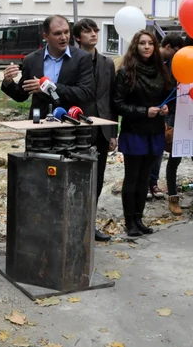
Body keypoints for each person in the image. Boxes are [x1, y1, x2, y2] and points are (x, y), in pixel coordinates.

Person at [113, 30, 173, 237]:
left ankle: (139, 218)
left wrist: (166, 109)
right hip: (134, 131)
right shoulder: (126, 71)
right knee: (132, 177)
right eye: (142, 43)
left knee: (145, 178)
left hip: (154, 131)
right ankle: (129, 221)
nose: (147, 47)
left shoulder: (160, 70)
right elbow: (118, 104)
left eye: (150, 43)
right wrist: (143, 112)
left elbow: (167, 97)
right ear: (135, 47)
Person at [73, 19, 117, 242]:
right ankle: (75, 226)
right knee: (77, 180)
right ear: (78, 37)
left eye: (95, 30)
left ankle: (90, 226)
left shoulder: (106, 63)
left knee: (97, 181)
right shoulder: (71, 61)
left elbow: (111, 99)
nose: (93, 34)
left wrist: (113, 132)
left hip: (101, 129)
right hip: (78, 129)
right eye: (87, 31)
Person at [1, 15, 94, 117]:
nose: (64, 37)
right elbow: (21, 95)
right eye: (57, 33)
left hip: (69, 123)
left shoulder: (82, 58)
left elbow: (85, 93)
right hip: (39, 124)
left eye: (66, 32)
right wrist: (8, 82)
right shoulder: (31, 60)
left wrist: (48, 87)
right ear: (46, 36)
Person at [148, 33, 185, 215]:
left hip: (173, 111)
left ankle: (153, 183)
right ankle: (151, 183)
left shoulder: (174, 62)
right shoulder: (155, 61)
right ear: (169, 47)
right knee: (156, 149)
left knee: (165, 150)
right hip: (159, 111)